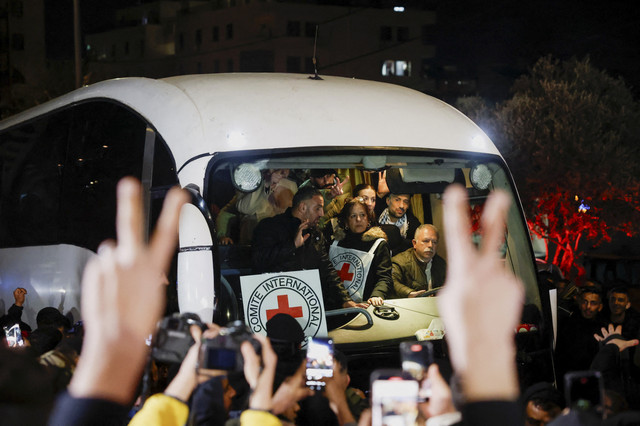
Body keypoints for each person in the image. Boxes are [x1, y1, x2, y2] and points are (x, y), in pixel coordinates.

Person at [251, 185, 364, 310]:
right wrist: (292, 246)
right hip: (275, 303)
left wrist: (344, 299)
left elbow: (326, 269)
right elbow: (258, 260)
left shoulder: (315, 233)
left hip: (309, 305)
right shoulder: (270, 227)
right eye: (318, 208)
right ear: (302, 207)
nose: (322, 213)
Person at [329, 197, 392, 306]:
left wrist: (377, 295)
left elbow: (384, 277)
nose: (358, 219)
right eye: (353, 216)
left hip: (365, 306)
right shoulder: (335, 243)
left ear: (368, 219)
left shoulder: (378, 244)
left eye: (362, 215)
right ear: (346, 222)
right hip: (337, 305)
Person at [217, 168, 297, 245]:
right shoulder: (249, 185)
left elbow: (297, 215)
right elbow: (227, 213)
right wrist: (222, 236)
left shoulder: (291, 185)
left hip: (280, 247)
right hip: (250, 247)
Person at [555, 287, 607, 387]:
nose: (588, 307)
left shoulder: (604, 329)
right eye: (585, 302)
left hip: (594, 381)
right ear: (579, 303)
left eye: (593, 303)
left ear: (600, 307)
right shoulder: (567, 325)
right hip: (569, 380)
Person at [392, 224, 446, 298]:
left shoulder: (441, 264)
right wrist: (409, 293)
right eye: (426, 241)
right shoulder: (400, 262)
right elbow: (392, 282)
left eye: (434, 242)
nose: (430, 245)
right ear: (414, 243)